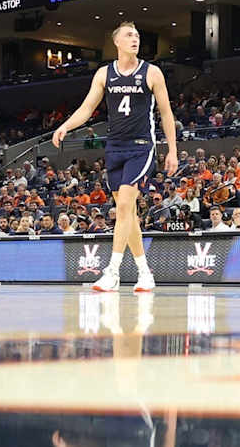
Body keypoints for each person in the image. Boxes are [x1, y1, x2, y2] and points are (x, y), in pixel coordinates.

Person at [52, 22, 179, 294]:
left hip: (142, 146)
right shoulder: (103, 74)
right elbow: (87, 108)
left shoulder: (152, 72)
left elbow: (167, 113)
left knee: (123, 208)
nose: (135, 39)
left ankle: (112, 271)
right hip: (115, 147)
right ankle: (145, 273)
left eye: (137, 35)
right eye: (129, 35)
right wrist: (65, 126)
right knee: (127, 213)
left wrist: (173, 150)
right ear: (117, 42)